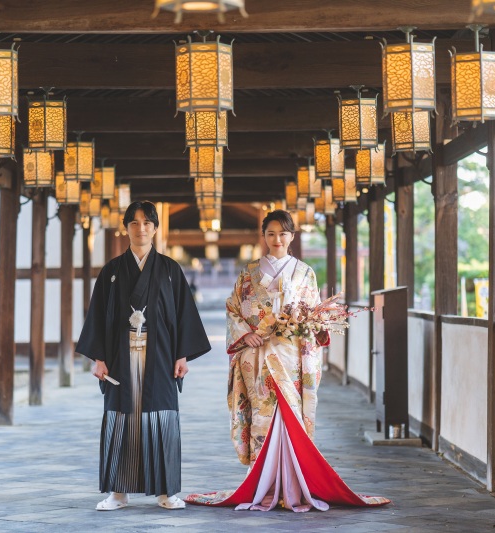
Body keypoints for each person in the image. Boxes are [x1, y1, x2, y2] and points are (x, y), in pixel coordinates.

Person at [185, 210, 389, 512]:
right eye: (271, 233)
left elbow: (315, 314)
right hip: (258, 355)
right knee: (263, 418)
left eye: (283, 233)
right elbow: (233, 309)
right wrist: (246, 335)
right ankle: (262, 481)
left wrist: (309, 325)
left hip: (293, 355)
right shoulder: (249, 272)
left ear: (292, 236)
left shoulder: (305, 272)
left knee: (291, 417)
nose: (277, 239)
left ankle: (295, 480)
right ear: (264, 236)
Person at [76, 201, 211, 511]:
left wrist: (182, 356)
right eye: (134, 223)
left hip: (160, 356)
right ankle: (118, 492)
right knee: (122, 419)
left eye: (147, 223)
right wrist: (98, 357)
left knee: (160, 418)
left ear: (155, 228)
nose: (141, 228)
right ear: (126, 228)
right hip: (120, 357)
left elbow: (182, 316)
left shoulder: (169, 270)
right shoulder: (111, 271)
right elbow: (97, 316)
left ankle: (166, 491)